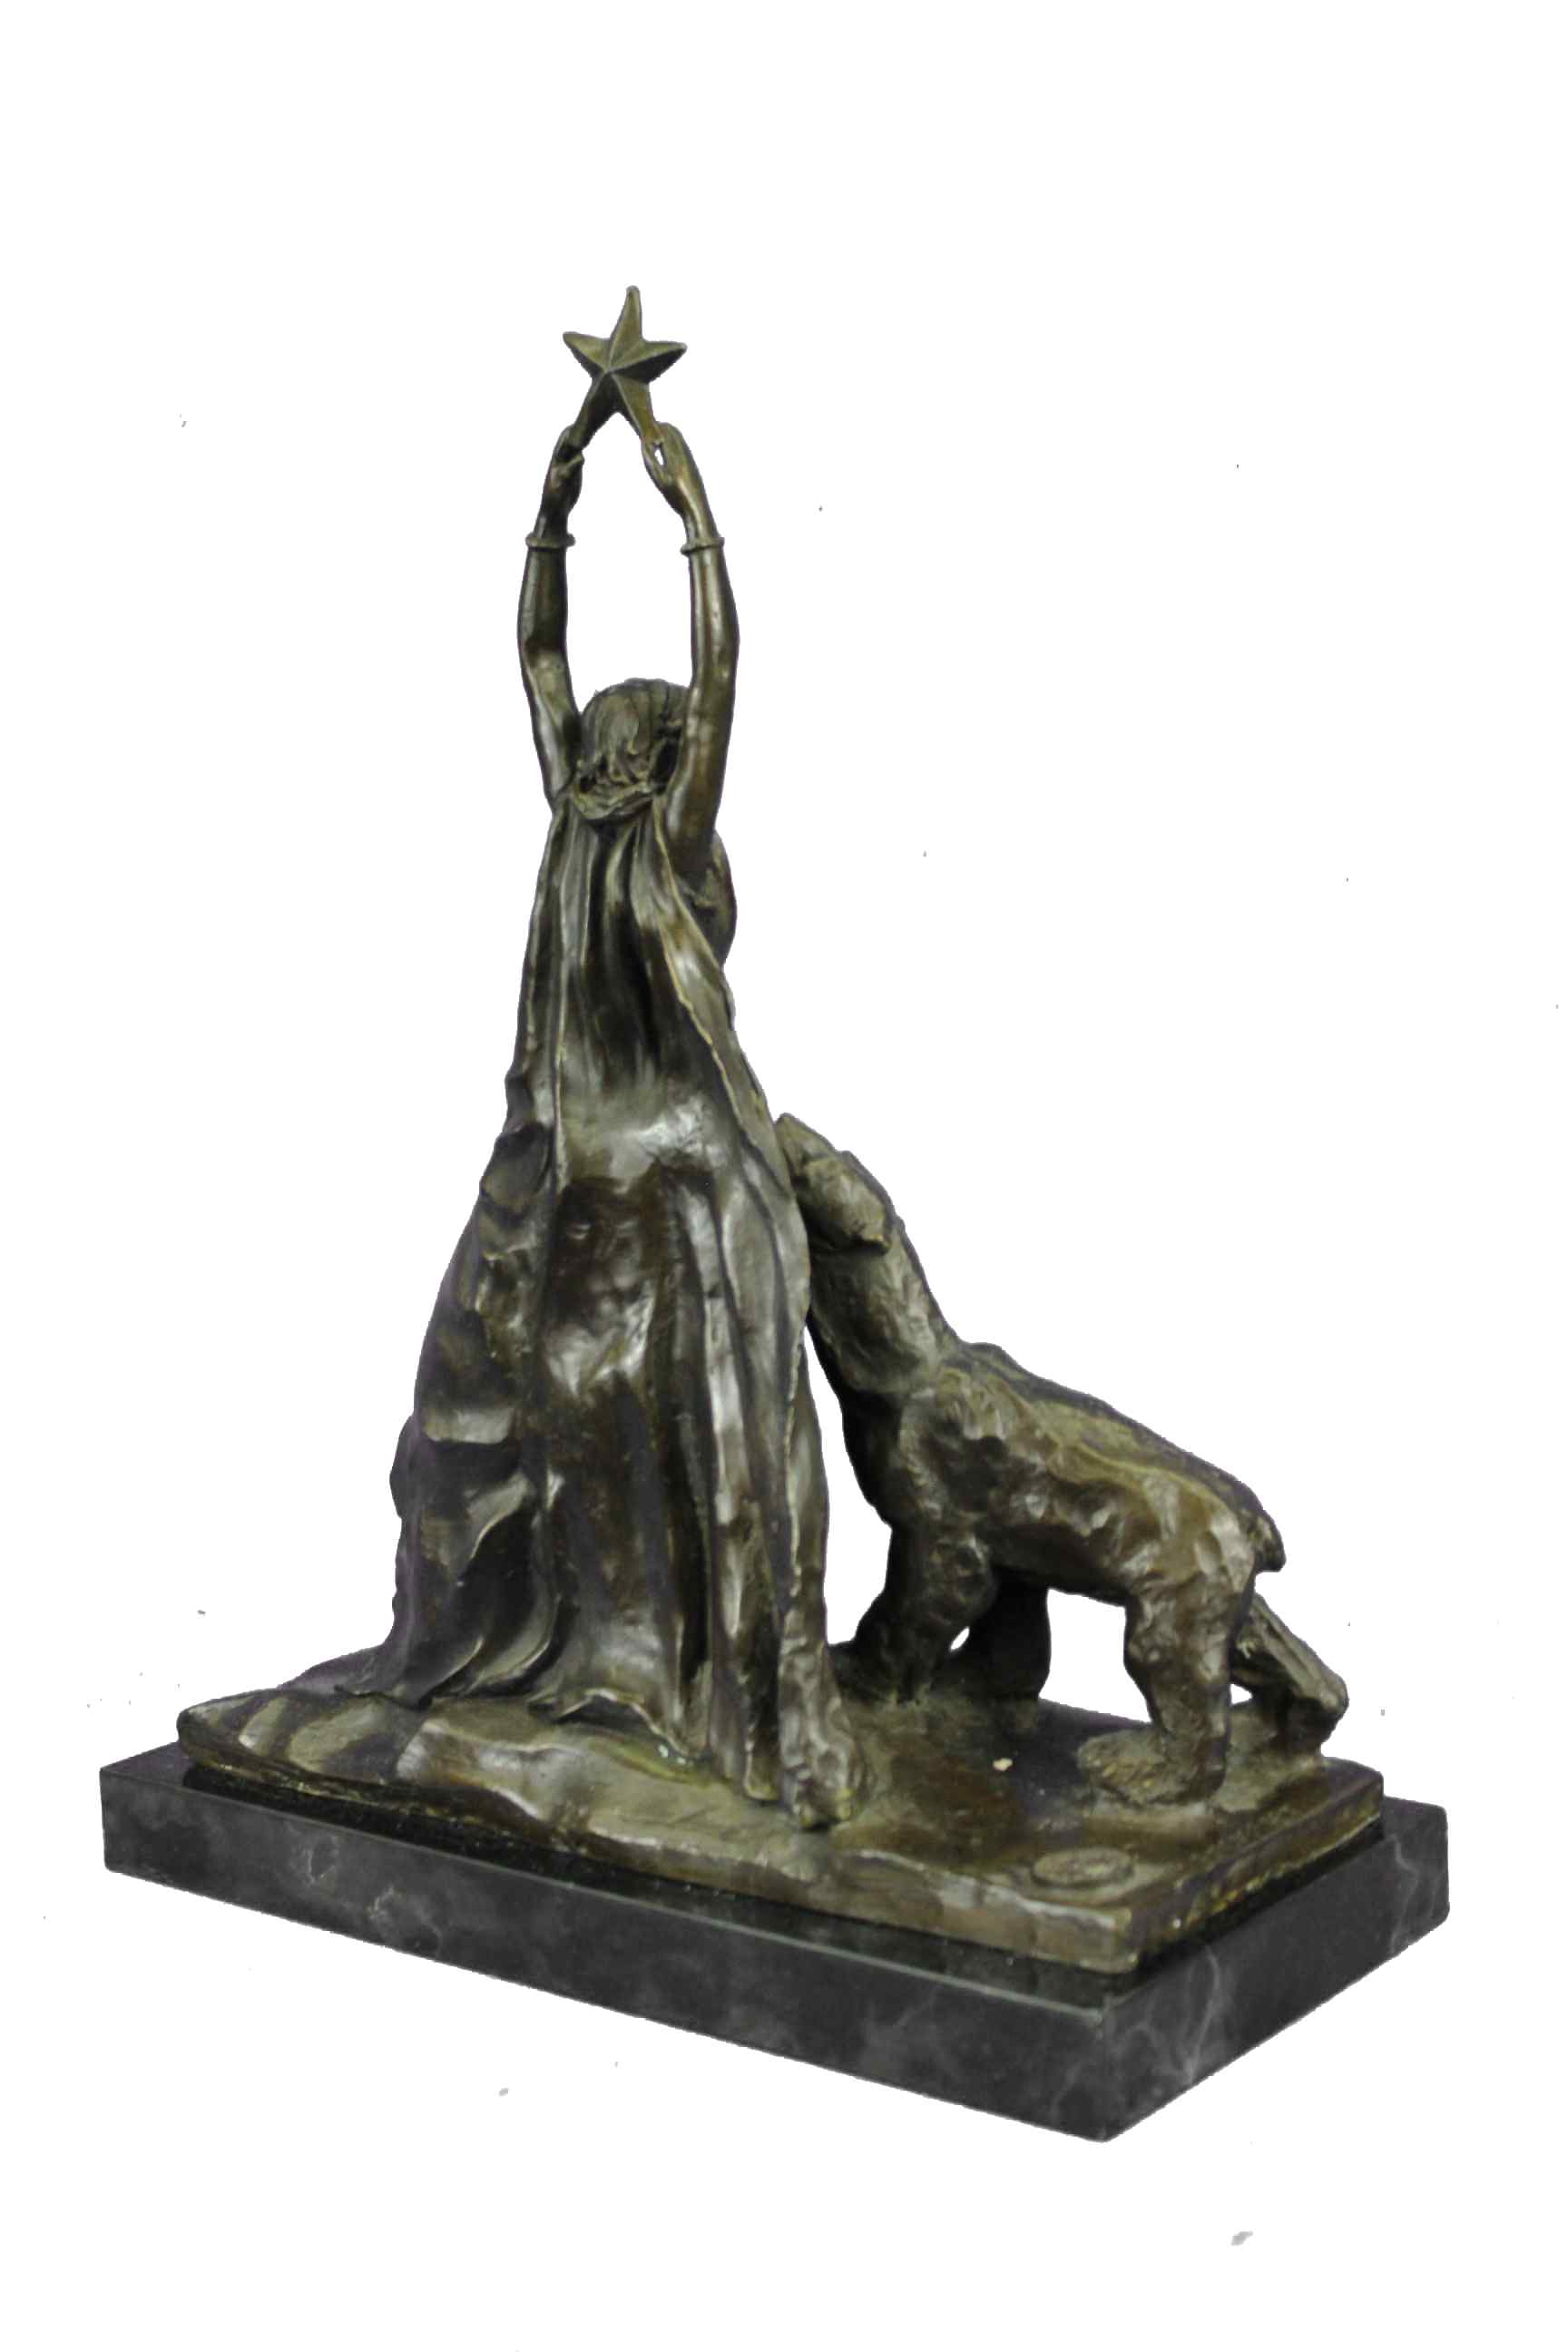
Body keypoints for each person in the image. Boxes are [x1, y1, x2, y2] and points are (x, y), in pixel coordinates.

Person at [344, 413, 864, 1828]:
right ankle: (529, 1658)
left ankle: (669, 1690)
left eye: (611, 734)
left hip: (655, 1185)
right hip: (575, 1177)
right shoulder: (605, 824)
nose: (600, 738)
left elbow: (608, 662)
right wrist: (621, 506)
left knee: (646, 1440)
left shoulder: (640, 833)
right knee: (513, 1415)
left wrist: (622, 510)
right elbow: (600, 662)